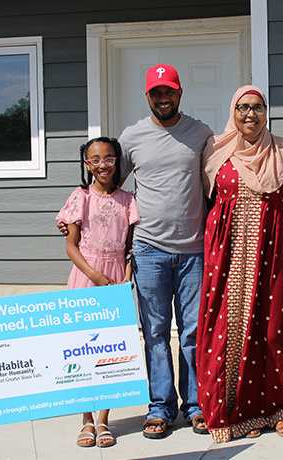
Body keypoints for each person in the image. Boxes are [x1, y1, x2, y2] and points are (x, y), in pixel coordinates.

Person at [58, 64, 212, 439]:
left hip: (194, 250)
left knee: (191, 332)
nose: (163, 98)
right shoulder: (132, 137)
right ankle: (159, 406)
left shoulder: (201, 133)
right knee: (155, 332)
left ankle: (194, 406)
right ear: (148, 97)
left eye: (169, 91)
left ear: (179, 93)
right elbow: (108, 185)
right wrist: (76, 220)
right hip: (148, 250)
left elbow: (215, 184)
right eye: (156, 92)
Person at [197, 85, 283, 442]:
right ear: (233, 111)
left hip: (274, 256)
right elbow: (200, 202)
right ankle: (226, 411)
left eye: (258, 107)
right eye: (243, 108)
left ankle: (277, 409)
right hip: (226, 259)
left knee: (272, 330)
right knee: (224, 331)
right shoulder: (216, 151)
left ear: (266, 111)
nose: (250, 115)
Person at [55, 137, 140, 448]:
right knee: (80, 350)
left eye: (109, 158)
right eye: (95, 159)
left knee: (110, 351)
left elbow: (130, 247)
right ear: (86, 163)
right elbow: (70, 245)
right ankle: (86, 419)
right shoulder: (81, 197)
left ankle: (104, 420)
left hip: (116, 278)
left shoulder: (129, 200)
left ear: (117, 161)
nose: (102, 164)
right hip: (85, 276)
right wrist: (93, 274)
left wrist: (125, 280)